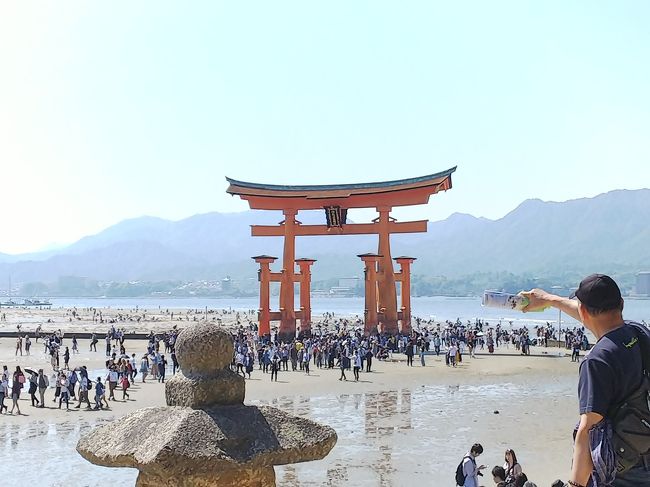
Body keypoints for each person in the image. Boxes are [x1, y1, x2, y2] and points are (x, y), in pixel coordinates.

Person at [523, 274, 650, 487]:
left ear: (583, 311)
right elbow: (593, 316)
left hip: (623, 472)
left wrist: (575, 485)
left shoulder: (598, 360)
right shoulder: (638, 332)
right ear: (622, 304)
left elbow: (588, 429)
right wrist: (550, 299)